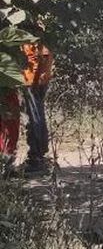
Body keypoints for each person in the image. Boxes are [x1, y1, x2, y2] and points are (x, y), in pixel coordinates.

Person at [21, 39, 53, 174]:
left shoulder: (33, 37)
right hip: (38, 80)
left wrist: (34, 81)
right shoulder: (42, 33)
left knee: (35, 118)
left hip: (32, 81)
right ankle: (40, 154)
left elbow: (40, 59)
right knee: (38, 116)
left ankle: (36, 158)